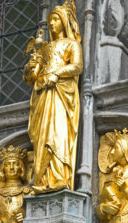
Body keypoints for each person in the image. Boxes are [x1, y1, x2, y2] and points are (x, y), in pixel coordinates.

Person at [23, 0, 83, 194]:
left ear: (64, 22)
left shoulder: (71, 44)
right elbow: (32, 77)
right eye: (50, 20)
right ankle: (41, 179)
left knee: (57, 133)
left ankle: (59, 176)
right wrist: (33, 65)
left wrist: (57, 74)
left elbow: (77, 66)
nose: (52, 24)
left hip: (61, 93)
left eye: (56, 20)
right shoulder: (46, 48)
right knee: (42, 136)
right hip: (43, 93)